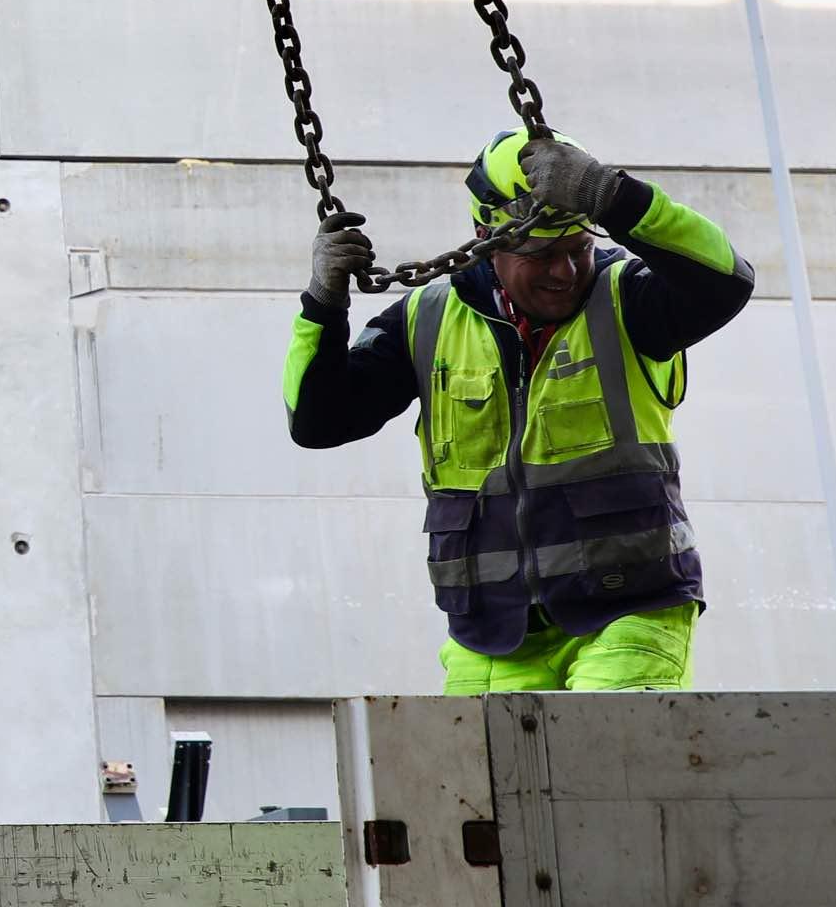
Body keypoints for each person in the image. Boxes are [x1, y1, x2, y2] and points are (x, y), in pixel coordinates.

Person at [285, 131, 756, 694]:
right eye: (541, 256)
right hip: (493, 634)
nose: (565, 272)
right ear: (488, 241)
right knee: (478, 782)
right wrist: (323, 302)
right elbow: (316, 419)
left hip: (629, 611)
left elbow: (727, 280)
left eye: (577, 249)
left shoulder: (630, 301)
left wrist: (613, 196)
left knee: (606, 774)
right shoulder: (426, 321)